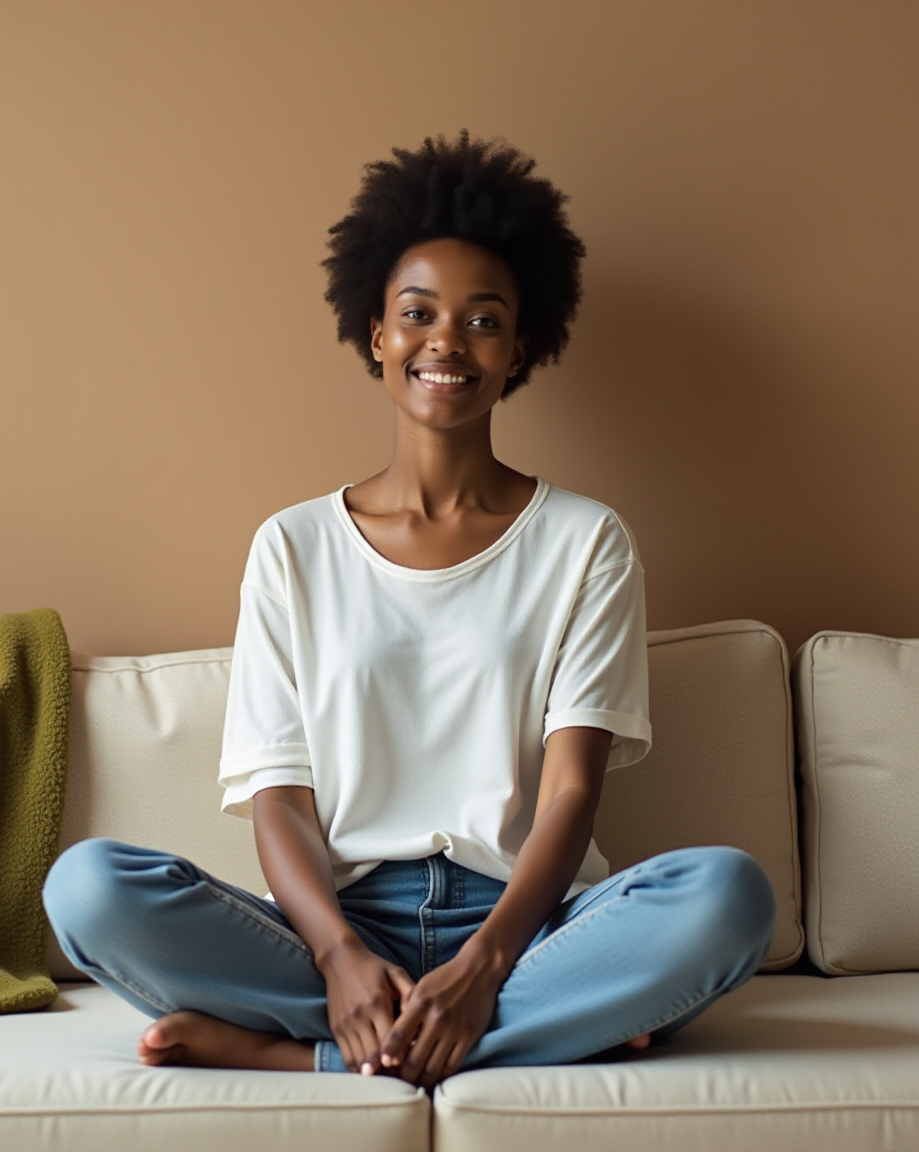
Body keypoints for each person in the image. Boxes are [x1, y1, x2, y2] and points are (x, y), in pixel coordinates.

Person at [42, 132, 776, 1090]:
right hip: (337, 924)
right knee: (88, 889)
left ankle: (304, 1053)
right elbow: (282, 800)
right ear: (377, 333)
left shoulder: (586, 542)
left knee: (728, 895)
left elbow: (568, 794)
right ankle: (522, 1026)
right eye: (418, 314)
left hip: (533, 921)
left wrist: (486, 964)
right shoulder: (293, 548)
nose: (446, 342)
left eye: (483, 320)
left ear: (520, 347)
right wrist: (342, 958)